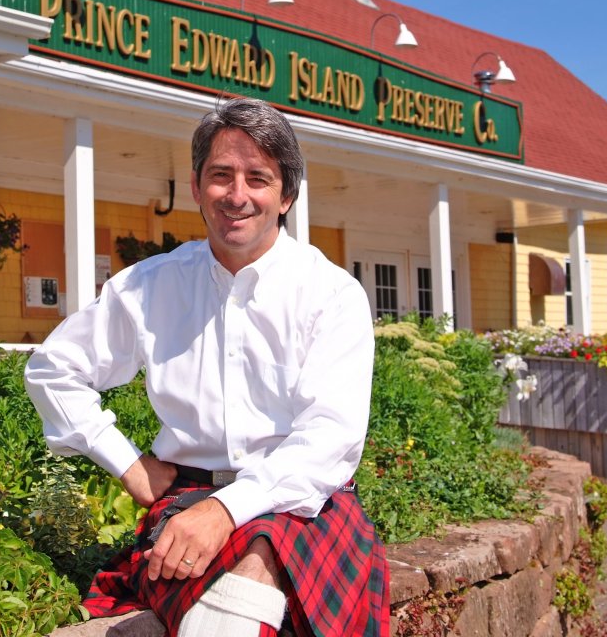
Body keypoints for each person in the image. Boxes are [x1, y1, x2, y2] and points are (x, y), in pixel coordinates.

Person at [25, 97, 388, 637]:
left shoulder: (332, 295)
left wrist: (226, 512)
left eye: (257, 178)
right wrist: (127, 463)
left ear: (286, 195)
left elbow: (328, 439)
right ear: (196, 187)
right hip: (187, 502)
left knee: (238, 600)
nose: (237, 196)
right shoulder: (148, 287)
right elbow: (53, 369)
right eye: (221, 175)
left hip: (306, 506)